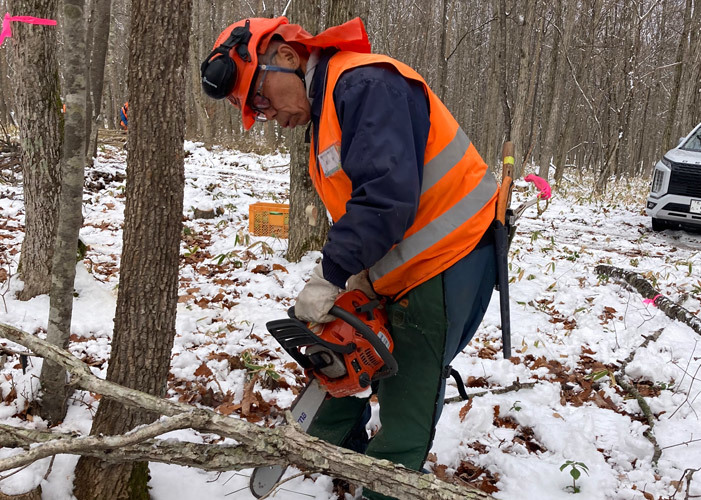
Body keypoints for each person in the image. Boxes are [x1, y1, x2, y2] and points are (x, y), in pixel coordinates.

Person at [201, 17, 499, 500]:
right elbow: (362, 203)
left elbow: (385, 197)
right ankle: (340, 455)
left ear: (288, 56)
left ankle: (388, 485)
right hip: (401, 260)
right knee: (346, 358)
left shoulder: (366, 84)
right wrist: (358, 275)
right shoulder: (328, 111)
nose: (268, 114)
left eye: (261, 99)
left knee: (409, 398)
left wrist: (332, 275)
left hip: (450, 255)